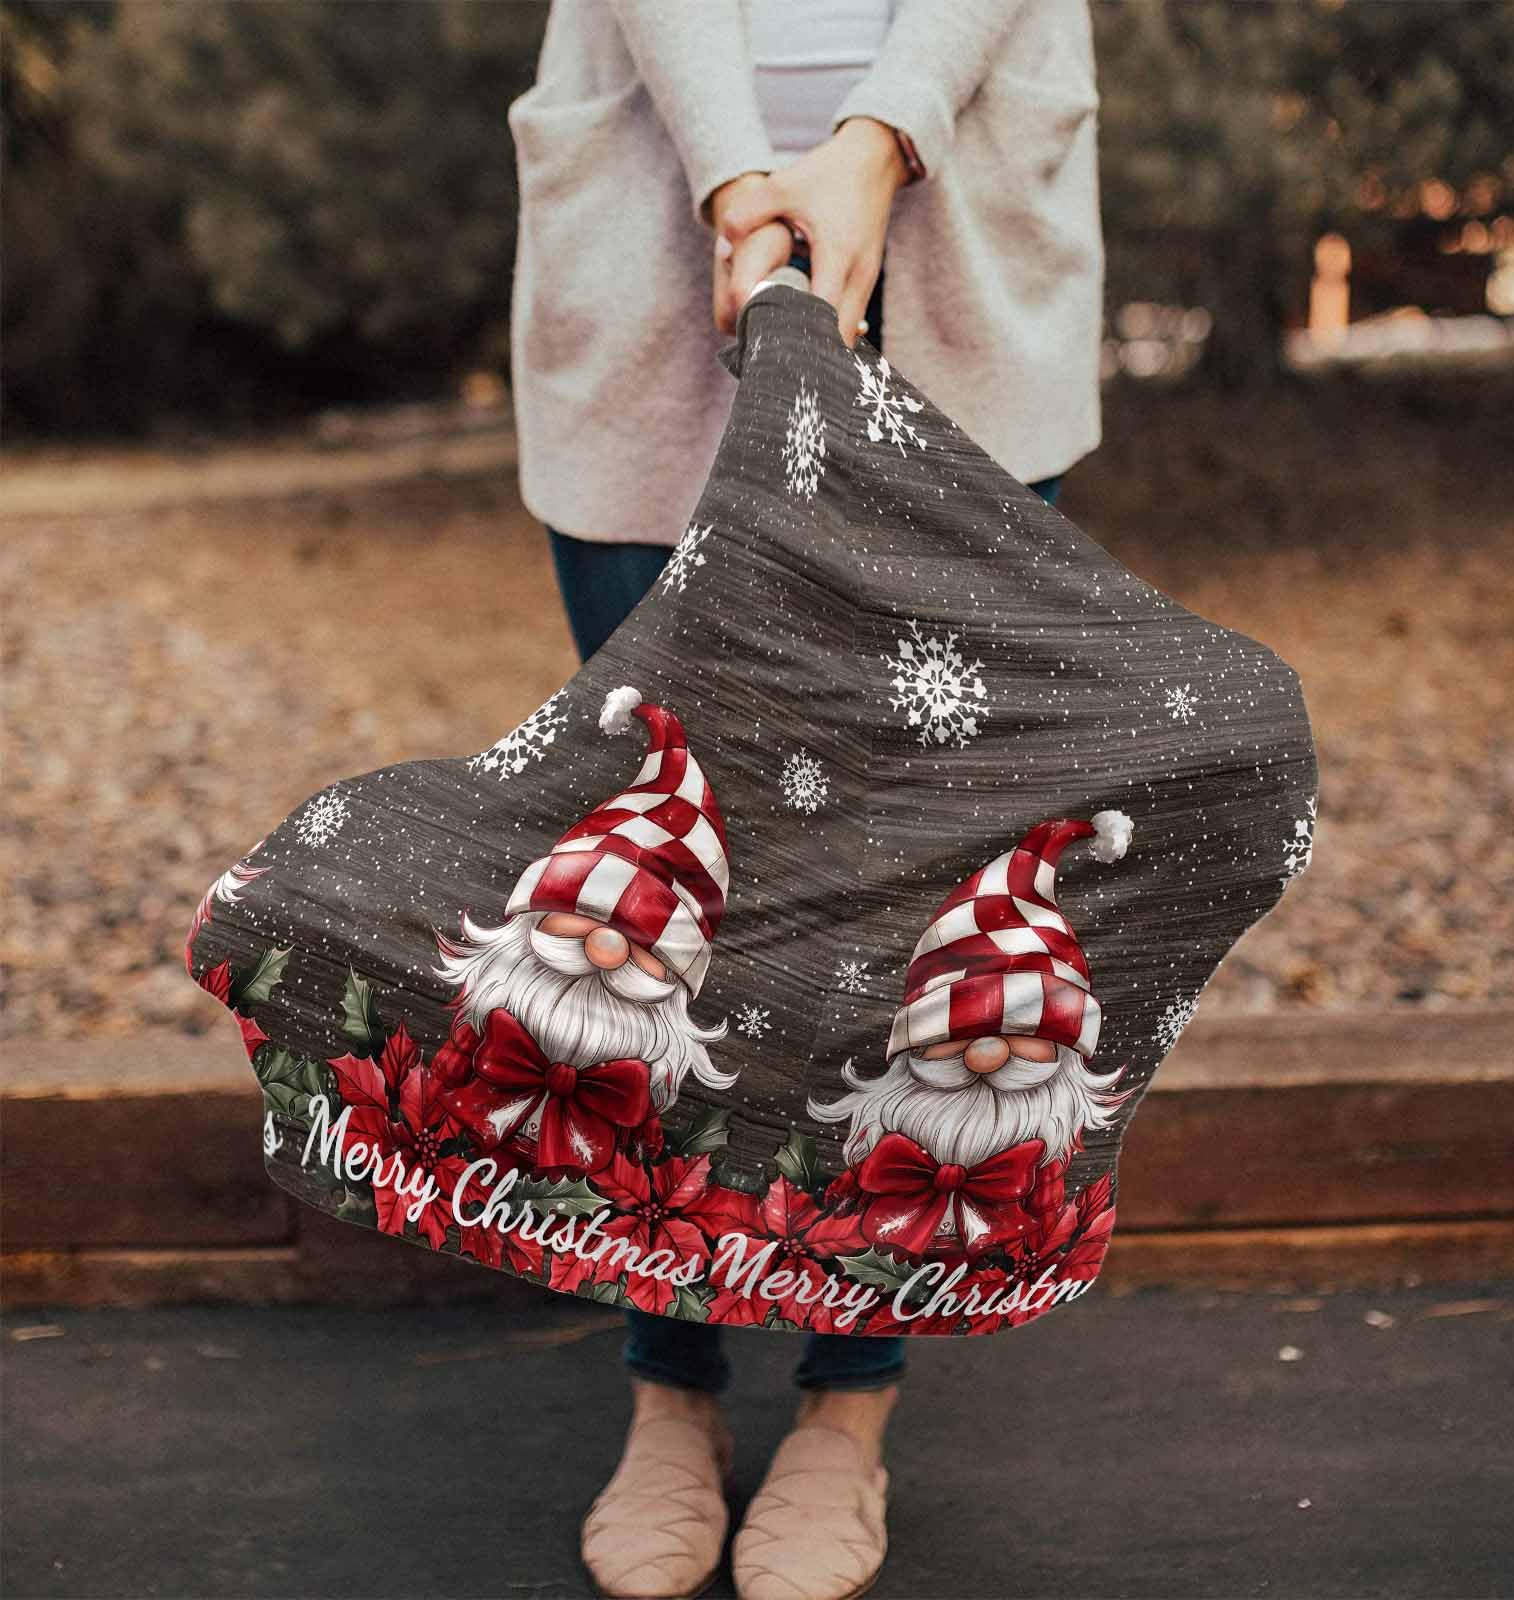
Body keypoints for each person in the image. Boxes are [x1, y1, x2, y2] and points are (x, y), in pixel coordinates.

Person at [505, 4, 1104, 1596]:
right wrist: (735, 179)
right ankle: (671, 1383)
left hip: (961, 227)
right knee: (656, 875)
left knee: (919, 885)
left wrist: (880, 140)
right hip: (654, 217)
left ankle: (850, 1402)